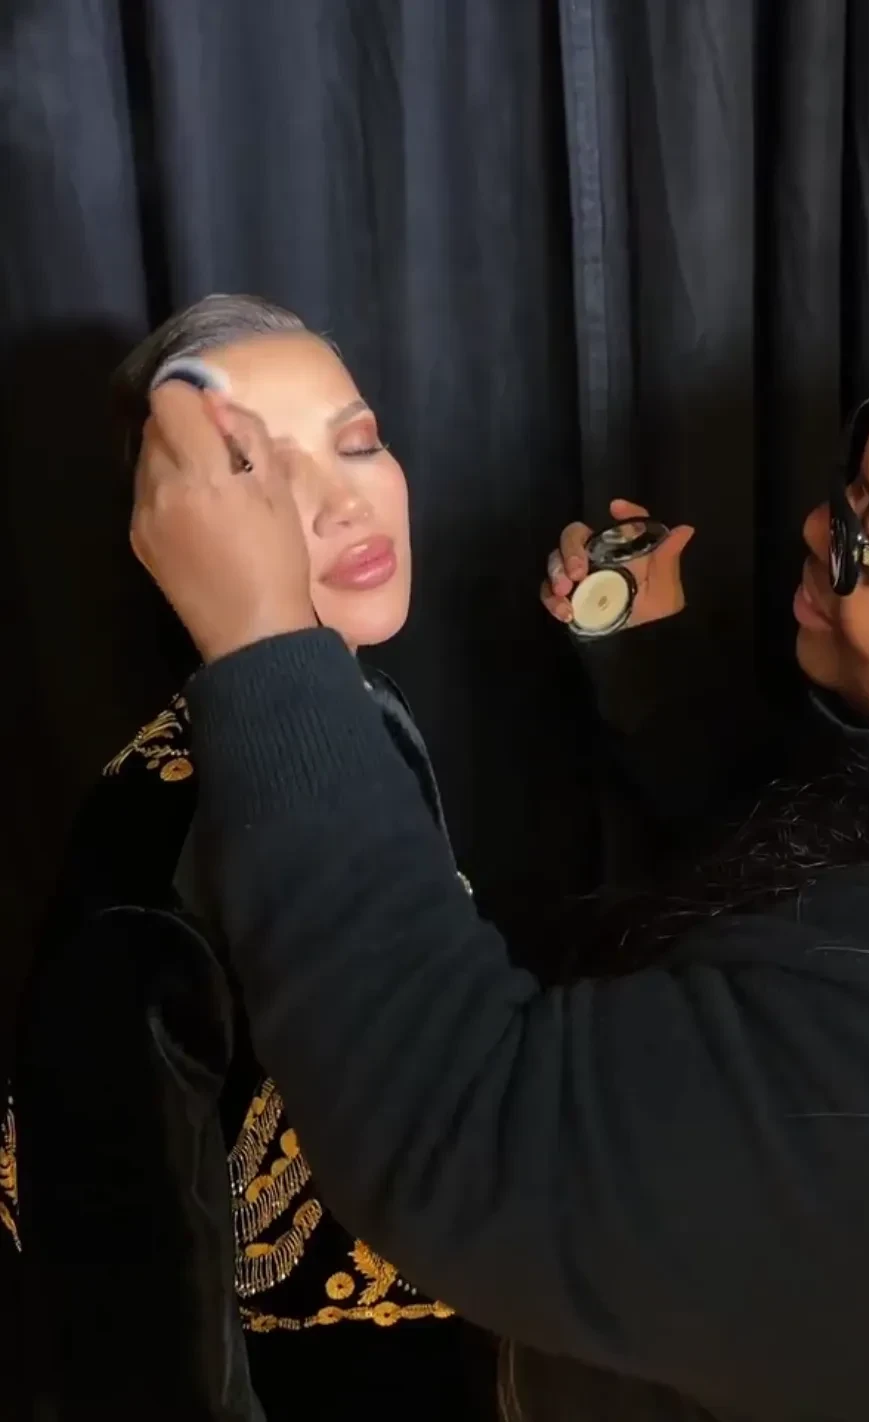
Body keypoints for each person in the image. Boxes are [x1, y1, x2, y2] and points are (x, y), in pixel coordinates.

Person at [130, 321, 869, 1421]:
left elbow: (466, 1130)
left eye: (863, 539)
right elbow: (843, 855)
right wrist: (650, 669)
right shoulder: (140, 845)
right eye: (849, 478)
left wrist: (263, 644)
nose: (813, 527)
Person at [9, 294, 699, 1421]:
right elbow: (130, 1317)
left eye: (359, 442)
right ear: (168, 526)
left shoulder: (346, 717)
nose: (341, 502)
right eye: (259, 473)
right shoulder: (159, 833)